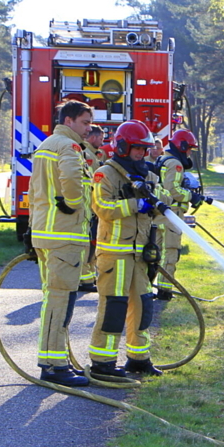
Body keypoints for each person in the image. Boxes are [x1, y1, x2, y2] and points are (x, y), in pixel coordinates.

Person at [87, 119, 169, 379]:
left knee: (143, 306)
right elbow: (101, 207)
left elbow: (163, 206)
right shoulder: (106, 173)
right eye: (136, 148)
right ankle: (103, 363)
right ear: (122, 147)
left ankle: (138, 358)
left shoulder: (149, 174)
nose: (141, 154)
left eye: (144, 149)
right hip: (115, 254)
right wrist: (135, 205)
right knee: (113, 308)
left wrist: (156, 203)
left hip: (140, 255)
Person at [29, 100, 94, 387]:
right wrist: (71, 204)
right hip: (64, 235)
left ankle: (56, 361)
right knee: (60, 301)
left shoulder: (45, 145)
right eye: (84, 123)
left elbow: (34, 191)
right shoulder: (69, 147)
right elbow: (70, 179)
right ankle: (54, 365)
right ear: (69, 121)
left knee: (53, 298)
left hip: (46, 233)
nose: (88, 129)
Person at [154, 129, 198, 301]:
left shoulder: (163, 159)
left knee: (155, 250)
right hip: (171, 213)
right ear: (182, 146)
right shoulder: (175, 164)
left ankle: (148, 287)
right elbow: (173, 190)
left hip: (160, 212)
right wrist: (191, 196)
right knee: (170, 251)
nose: (189, 153)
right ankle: (165, 290)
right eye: (189, 149)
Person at [78, 125, 107, 293]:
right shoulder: (87, 155)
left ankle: (89, 277)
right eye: (101, 138)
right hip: (88, 207)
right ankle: (85, 280)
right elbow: (94, 184)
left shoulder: (94, 154)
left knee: (92, 243)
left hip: (92, 207)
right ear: (93, 137)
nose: (102, 142)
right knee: (86, 245)